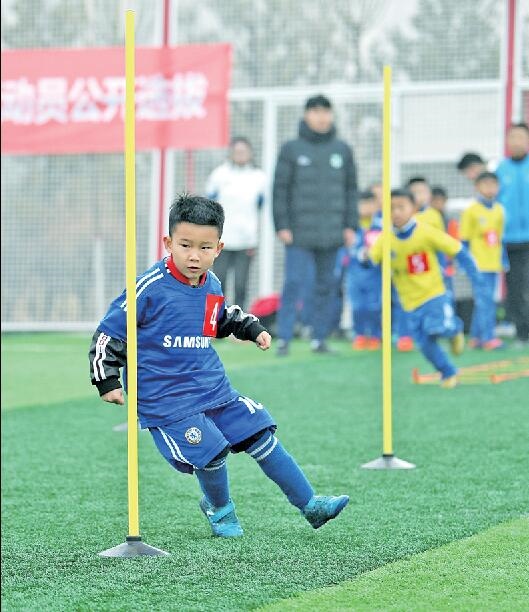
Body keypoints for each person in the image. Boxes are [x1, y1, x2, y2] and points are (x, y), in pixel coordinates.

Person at [88, 195, 349, 538]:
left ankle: (310, 504)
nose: (194, 256)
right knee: (211, 451)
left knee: (260, 431)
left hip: (213, 388)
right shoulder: (149, 288)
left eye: (205, 247)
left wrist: (251, 329)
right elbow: (109, 332)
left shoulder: (211, 283)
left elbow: (221, 317)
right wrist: (106, 379)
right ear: (168, 243)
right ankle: (220, 509)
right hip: (167, 400)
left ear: (219, 248)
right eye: (185, 245)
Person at [369, 189, 483, 388]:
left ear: (413, 208)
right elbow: (371, 259)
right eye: (391, 208)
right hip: (409, 302)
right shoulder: (385, 239)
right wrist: (363, 257)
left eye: (401, 207)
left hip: (433, 294)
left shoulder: (426, 232)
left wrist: (475, 275)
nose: (396, 212)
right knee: (424, 344)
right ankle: (448, 372)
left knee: (436, 328)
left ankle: (454, 330)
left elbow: (457, 249)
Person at [273, 94, 358, 356]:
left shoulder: (342, 150)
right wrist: (282, 225)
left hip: (332, 231)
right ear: (306, 115)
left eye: (326, 112)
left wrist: (350, 225)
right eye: (316, 112)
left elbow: (351, 190)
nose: (321, 117)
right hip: (298, 232)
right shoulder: (291, 149)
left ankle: (319, 338)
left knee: (327, 286)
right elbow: (280, 190)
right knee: (294, 283)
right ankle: (284, 338)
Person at [205, 136, 266, 309]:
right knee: (218, 282)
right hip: (222, 239)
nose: (240, 155)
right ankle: (215, 320)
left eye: (244, 151)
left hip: (246, 240)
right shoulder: (219, 175)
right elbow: (210, 202)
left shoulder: (258, 177)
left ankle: (238, 321)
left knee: (241, 285)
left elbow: (260, 204)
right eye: (237, 151)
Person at [459, 172, 506, 350]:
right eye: (485, 184)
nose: (490, 188)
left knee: (485, 300)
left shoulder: (499, 210)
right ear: (477, 187)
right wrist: (464, 263)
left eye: (493, 184)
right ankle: (488, 337)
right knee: (485, 300)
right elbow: (464, 239)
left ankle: (476, 337)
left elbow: (500, 238)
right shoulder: (471, 210)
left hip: (493, 263)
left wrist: (503, 259)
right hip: (477, 264)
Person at [495, 122, 529, 347]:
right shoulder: (500, 170)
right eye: (512, 137)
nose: (516, 141)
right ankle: (522, 332)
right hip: (509, 240)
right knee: (516, 287)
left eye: (521, 137)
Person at [347, 191, 382, 350]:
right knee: (357, 306)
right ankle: (359, 334)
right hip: (355, 273)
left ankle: (375, 335)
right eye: (363, 204)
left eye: (370, 203)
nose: (366, 208)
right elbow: (348, 248)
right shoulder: (352, 226)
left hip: (375, 273)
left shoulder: (381, 225)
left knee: (374, 306)